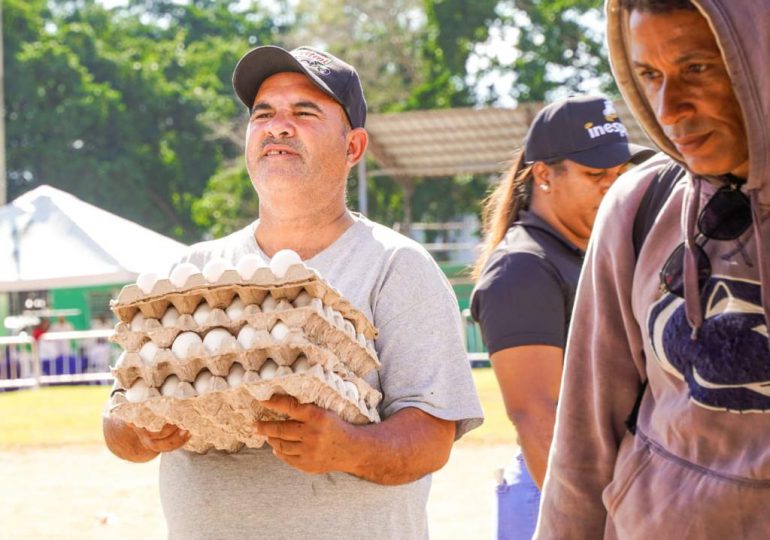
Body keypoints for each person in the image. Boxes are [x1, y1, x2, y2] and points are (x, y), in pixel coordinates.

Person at [102, 45, 484, 539]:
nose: (278, 126)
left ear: (354, 148)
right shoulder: (192, 270)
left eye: (304, 112)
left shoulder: (396, 267)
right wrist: (141, 431)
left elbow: (432, 438)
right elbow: (117, 426)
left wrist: (347, 446)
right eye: (263, 114)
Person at [535, 1, 770, 538]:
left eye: (698, 68)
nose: (669, 107)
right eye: (649, 75)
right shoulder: (641, 204)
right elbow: (583, 437)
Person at [469, 95, 653, 539]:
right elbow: (538, 416)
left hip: (604, 490)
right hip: (562, 501)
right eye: (595, 176)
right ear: (545, 175)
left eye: (618, 175)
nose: (613, 188)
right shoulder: (523, 266)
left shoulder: (584, 252)